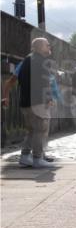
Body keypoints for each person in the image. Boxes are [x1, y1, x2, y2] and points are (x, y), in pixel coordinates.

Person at [2, 37, 57, 168]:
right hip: (38, 102)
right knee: (40, 130)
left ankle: (25, 156)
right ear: (39, 47)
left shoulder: (26, 60)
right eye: (47, 45)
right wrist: (49, 98)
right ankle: (38, 158)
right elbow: (44, 82)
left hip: (25, 102)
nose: (49, 47)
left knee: (32, 131)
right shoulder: (41, 61)